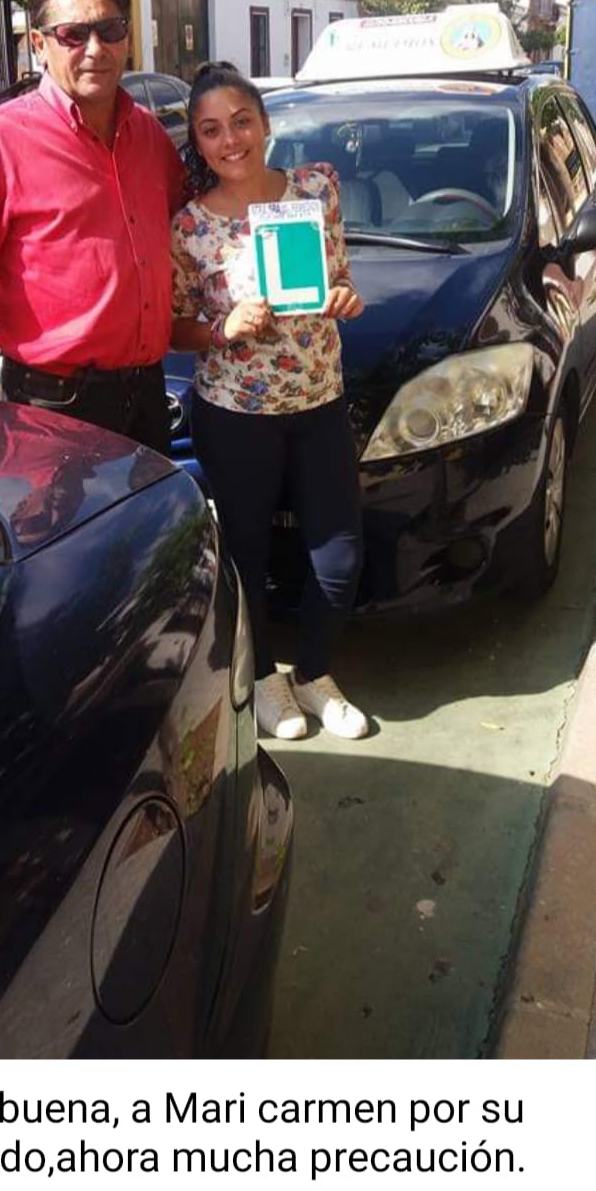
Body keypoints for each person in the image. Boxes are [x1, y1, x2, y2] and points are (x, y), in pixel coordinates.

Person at [171, 61, 369, 741]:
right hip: (235, 416)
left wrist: (345, 298)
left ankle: (313, 673)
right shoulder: (190, 227)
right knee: (248, 557)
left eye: (241, 122)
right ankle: (262, 682)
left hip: (318, 401)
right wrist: (222, 327)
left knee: (339, 557)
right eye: (211, 130)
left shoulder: (315, 189)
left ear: (264, 123)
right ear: (199, 143)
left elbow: (340, 278)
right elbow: (174, 327)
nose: (230, 140)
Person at [0, 0, 187, 455]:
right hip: (52, 409)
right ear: (40, 45)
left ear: (127, 37)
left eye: (110, 30)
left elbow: (192, 232)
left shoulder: (148, 135)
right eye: (72, 35)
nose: (95, 49)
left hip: (148, 394)